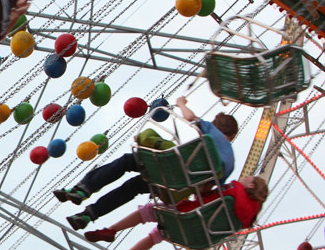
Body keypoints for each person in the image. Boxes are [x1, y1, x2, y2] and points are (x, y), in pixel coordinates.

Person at [56, 96, 239, 231]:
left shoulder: (211, 131)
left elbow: (191, 119)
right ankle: (89, 215)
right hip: (174, 188)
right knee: (133, 187)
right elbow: (207, 191)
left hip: (166, 166)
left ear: (217, 126)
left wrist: (182, 103)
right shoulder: (229, 164)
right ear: (232, 136)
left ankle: (83, 189)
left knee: (127, 161)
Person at [90, 176, 268, 250]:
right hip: (197, 238)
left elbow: (206, 198)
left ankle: (111, 230)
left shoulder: (234, 190)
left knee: (149, 210)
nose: (244, 177)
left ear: (251, 186)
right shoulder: (246, 220)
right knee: (159, 233)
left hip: (188, 215)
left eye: (249, 178)